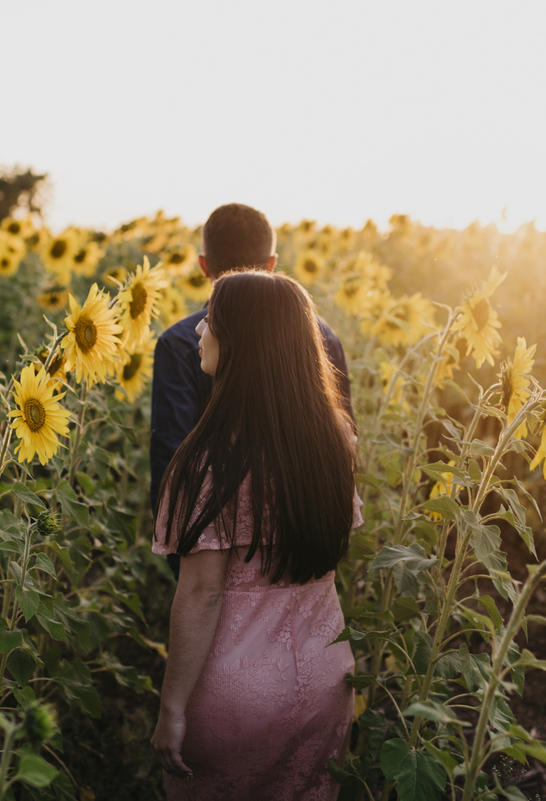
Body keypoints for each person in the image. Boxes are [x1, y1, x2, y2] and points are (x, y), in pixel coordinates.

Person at [149, 270, 362, 800]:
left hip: (234, 691)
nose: (199, 330)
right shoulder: (336, 441)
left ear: (243, 340)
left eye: (211, 319)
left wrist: (171, 709)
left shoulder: (206, 462)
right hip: (324, 680)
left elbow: (202, 594)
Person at [149, 203, 352, 578]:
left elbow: (170, 462)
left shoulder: (178, 343)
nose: (202, 333)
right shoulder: (322, 337)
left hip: (207, 559)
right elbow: (339, 453)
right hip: (304, 559)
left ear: (203, 266)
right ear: (272, 265)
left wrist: (185, 567)